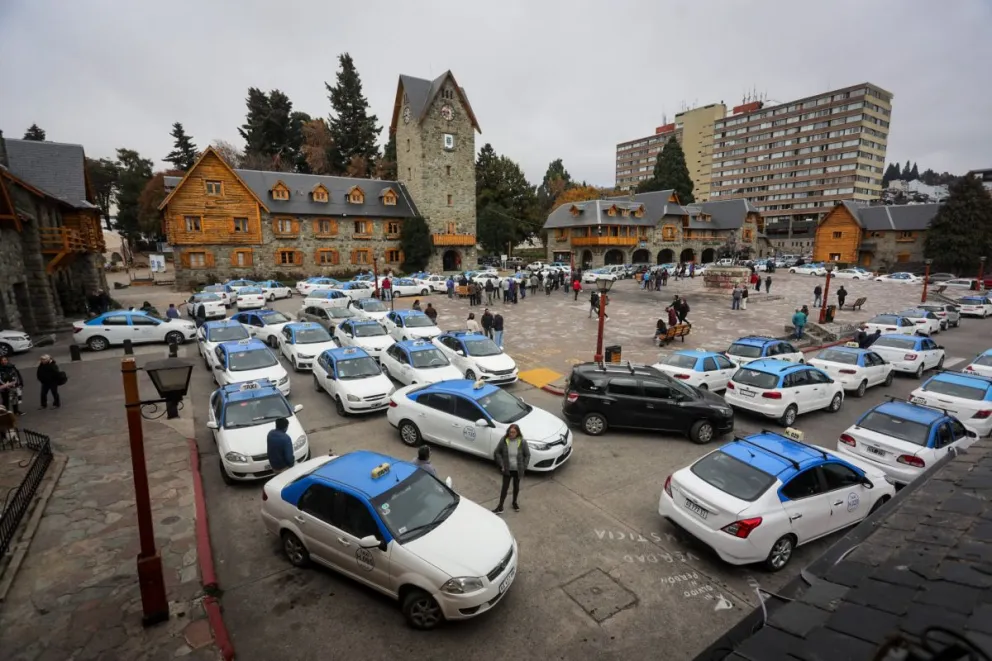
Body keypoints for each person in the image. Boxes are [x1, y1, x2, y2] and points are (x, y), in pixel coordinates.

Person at [493, 423, 530, 514]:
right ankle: (500, 506)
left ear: (517, 433)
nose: (511, 434)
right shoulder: (504, 440)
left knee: (516, 487)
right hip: (507, 469)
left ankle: (514, 503)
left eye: (513, 432)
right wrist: (502, 465)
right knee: (504, 488)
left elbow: (527, 455)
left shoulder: (522, 442)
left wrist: (524, 466)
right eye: (510, 432)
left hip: (518, 470)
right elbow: (497, 452)